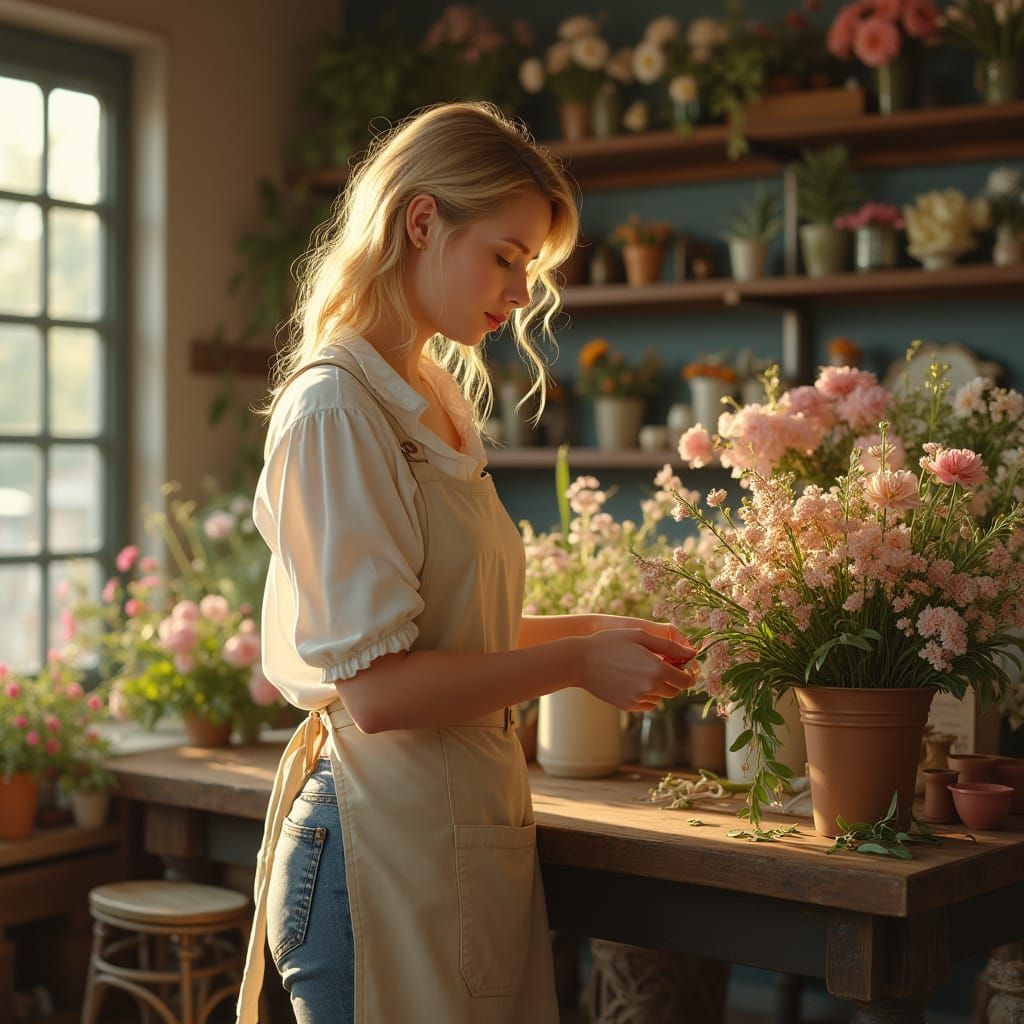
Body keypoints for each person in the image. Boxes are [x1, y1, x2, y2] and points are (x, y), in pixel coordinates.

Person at [236, 101, 696, 1024]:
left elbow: (451, 635)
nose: (521, 293)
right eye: (507, 255)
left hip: (448, 831)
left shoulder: (432, 394)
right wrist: (573, 664)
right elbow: (377, 689)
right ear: (421, 221)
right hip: (375, 846)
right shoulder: (336, 408)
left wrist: (605, 634)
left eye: (529, 267)